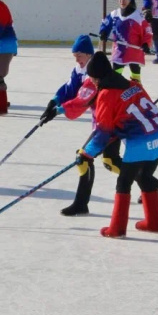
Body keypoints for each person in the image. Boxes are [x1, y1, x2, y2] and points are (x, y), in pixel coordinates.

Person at [58, 52, 158, 237]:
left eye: (93, 78)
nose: (93, 82)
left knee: (123, 183)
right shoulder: (134, 85)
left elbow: (103, 131)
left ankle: (117, 229)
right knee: (143, 177)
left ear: (99, 77)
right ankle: (154, 223)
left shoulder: (106, 94)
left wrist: (87, 154)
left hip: (141, 143)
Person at [39, 34, 99, 216]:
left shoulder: (94, 71)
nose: (77, 59)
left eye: (79, 55)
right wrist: (54, 101)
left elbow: (82, 100)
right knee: (110, 161)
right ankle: (143, 179)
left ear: (88, 54)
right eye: (75, 56)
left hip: (111, 120)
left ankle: (81, 204)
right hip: (101, 119)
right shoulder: (79, 69)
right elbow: (70, 88)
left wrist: (59, 111)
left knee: (85, 158)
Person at [98, 0, 153, 84]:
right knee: (115, 74)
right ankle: (116, 92)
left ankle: (136, 91)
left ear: (130, 0)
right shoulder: (114, 14)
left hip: (134, 50)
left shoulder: (138, 15)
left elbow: (147, 31)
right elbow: (106, 24)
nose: (122, 1)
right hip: (119, 49)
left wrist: (145, 44)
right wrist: (103, 32)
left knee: (135, 74)